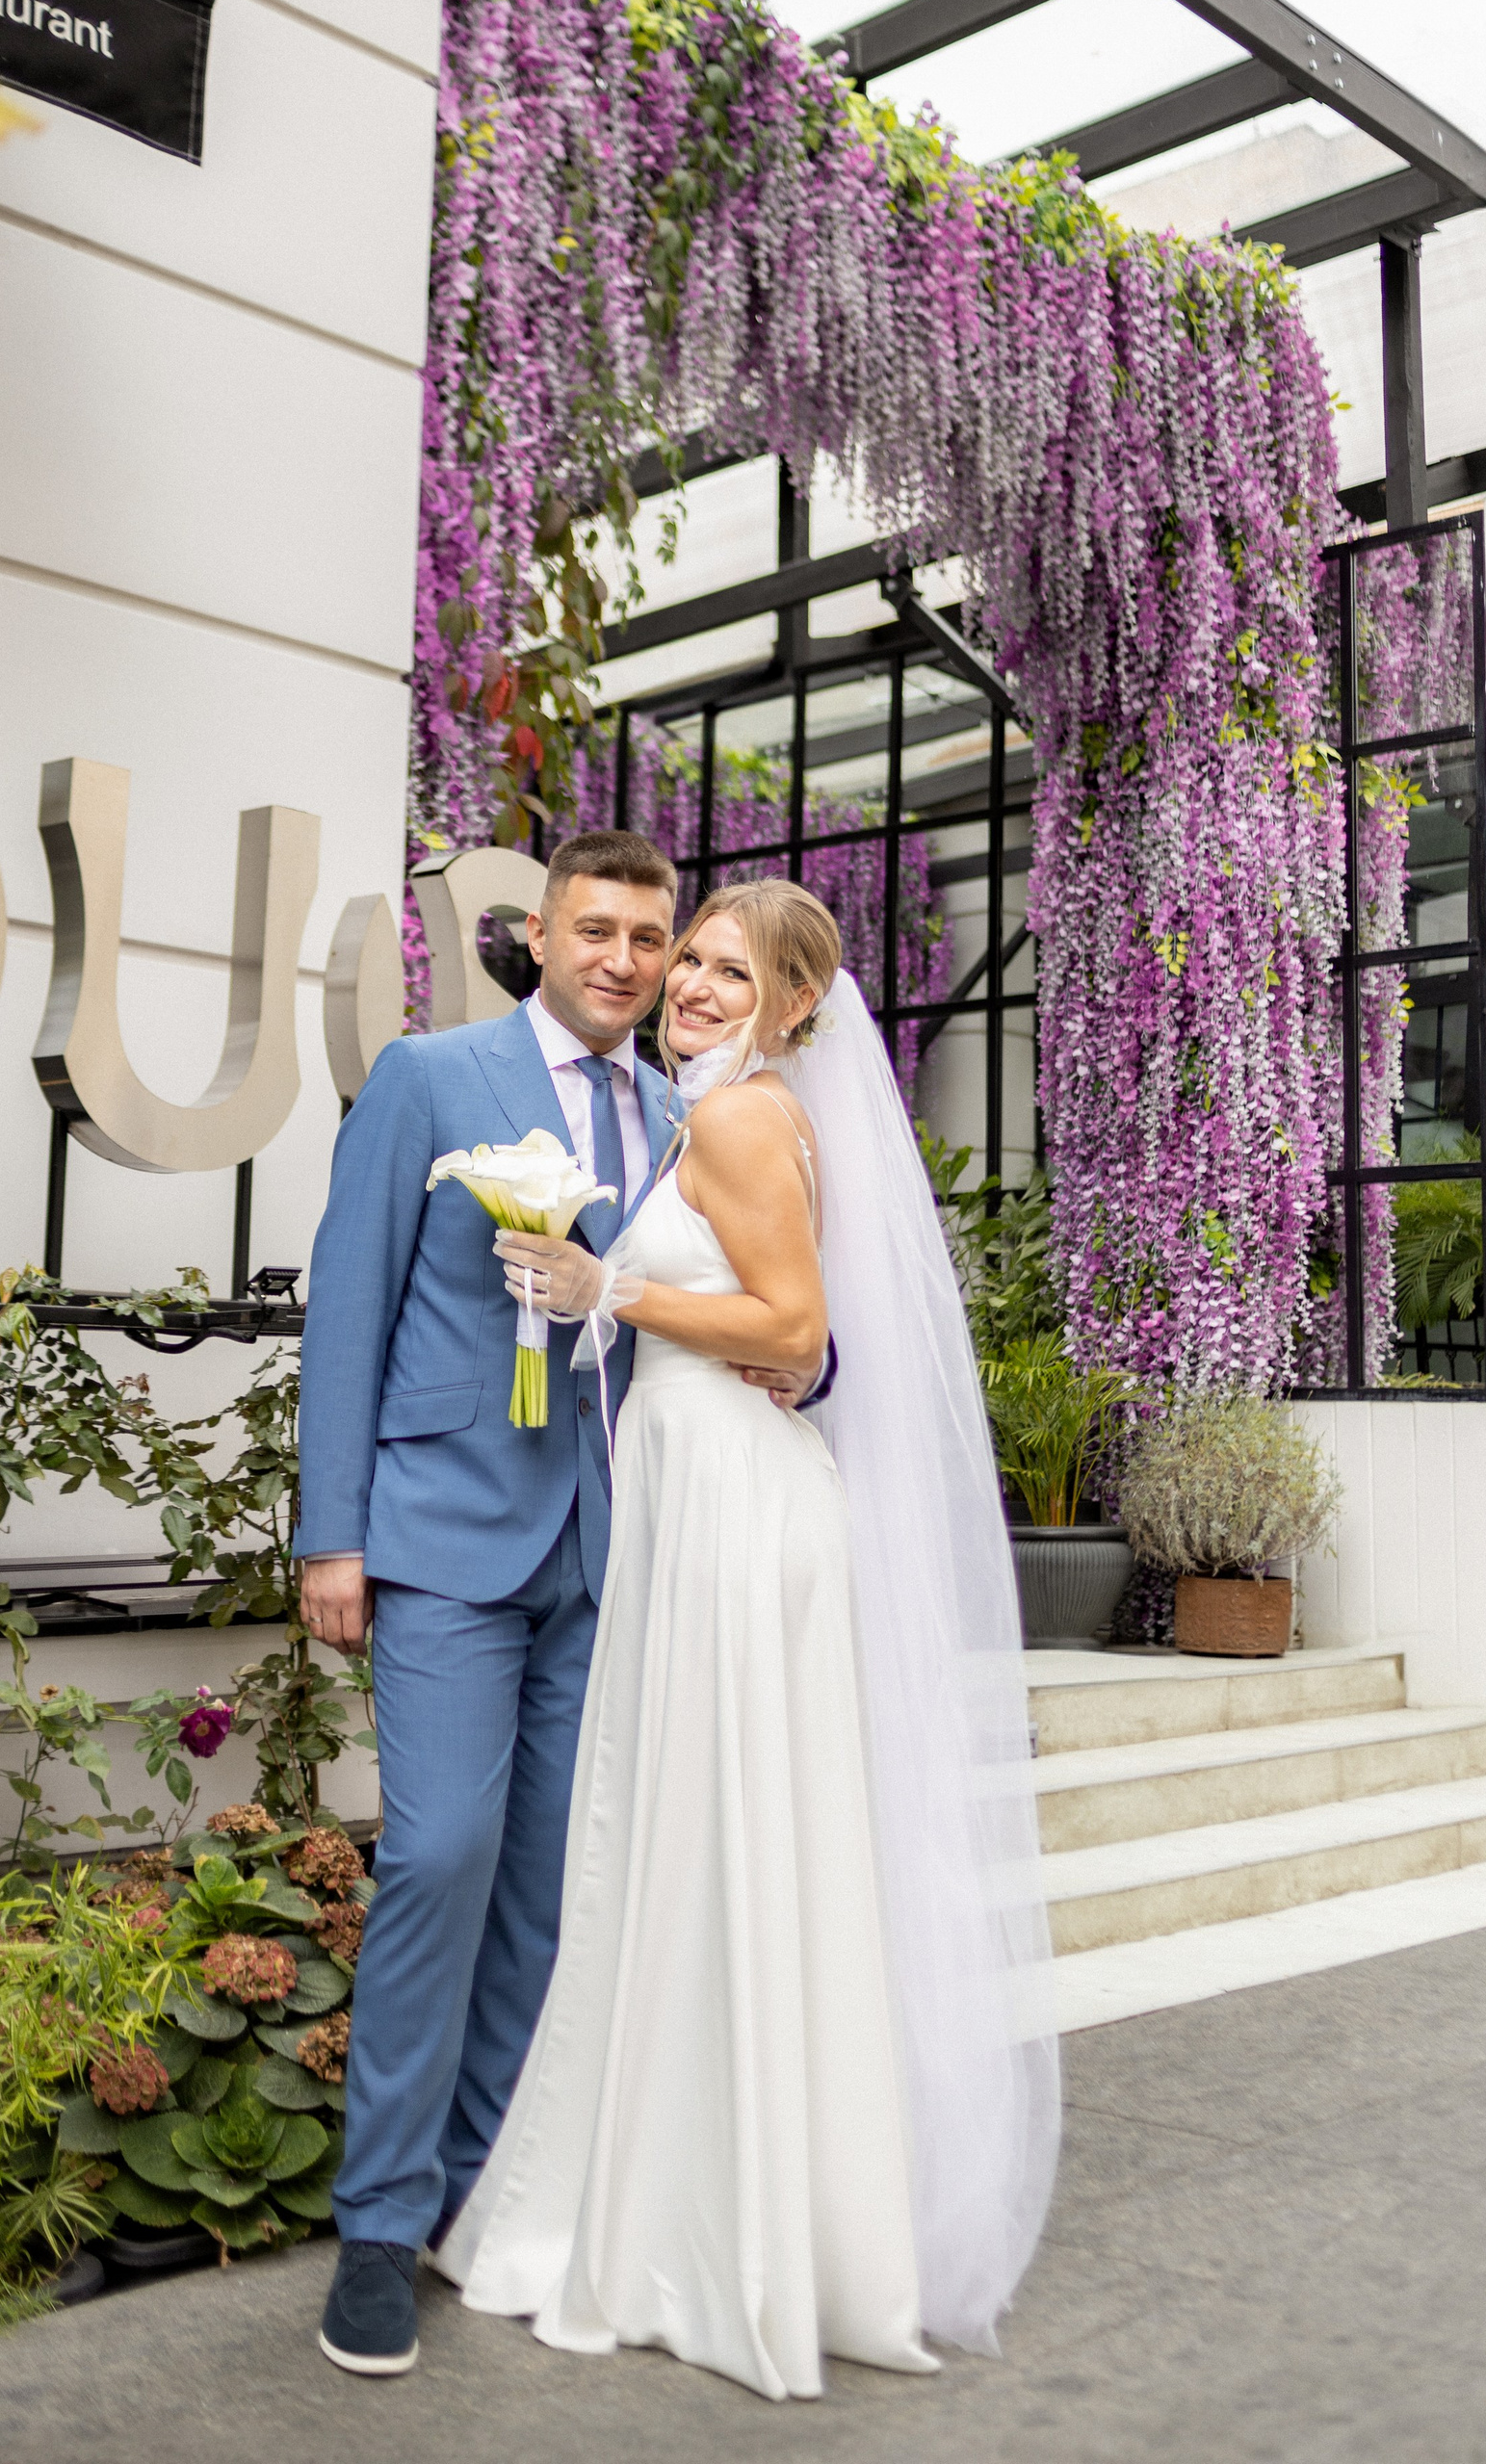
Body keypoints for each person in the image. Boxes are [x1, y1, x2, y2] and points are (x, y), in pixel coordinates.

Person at [436, 878, 1060, 2400]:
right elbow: (802, 1333)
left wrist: (612, 1286)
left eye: (732, 968)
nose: (695, 985)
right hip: (701, 1487)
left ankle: (716, 2235)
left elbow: (793, 1328)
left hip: (730, 1503)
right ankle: (710, 2205)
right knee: (704, 1845)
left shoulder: (732, 1116)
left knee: (715, 1839)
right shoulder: (718, 1110)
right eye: (693, 959)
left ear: (795, 1002)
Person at [294, 833, 825, 2379]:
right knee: (440, 1854)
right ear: (538, 934)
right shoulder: (428, 1075)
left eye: (653, 939)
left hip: (613, 1550)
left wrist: (801, 1367)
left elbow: (746, 1296)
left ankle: (482, 2194)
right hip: (446, 1539)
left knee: (552, 1885)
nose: (628, 961)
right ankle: (379, 2225)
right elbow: (349, 1308)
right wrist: (332, 1538)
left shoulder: (679, 1108)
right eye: (600, 930)